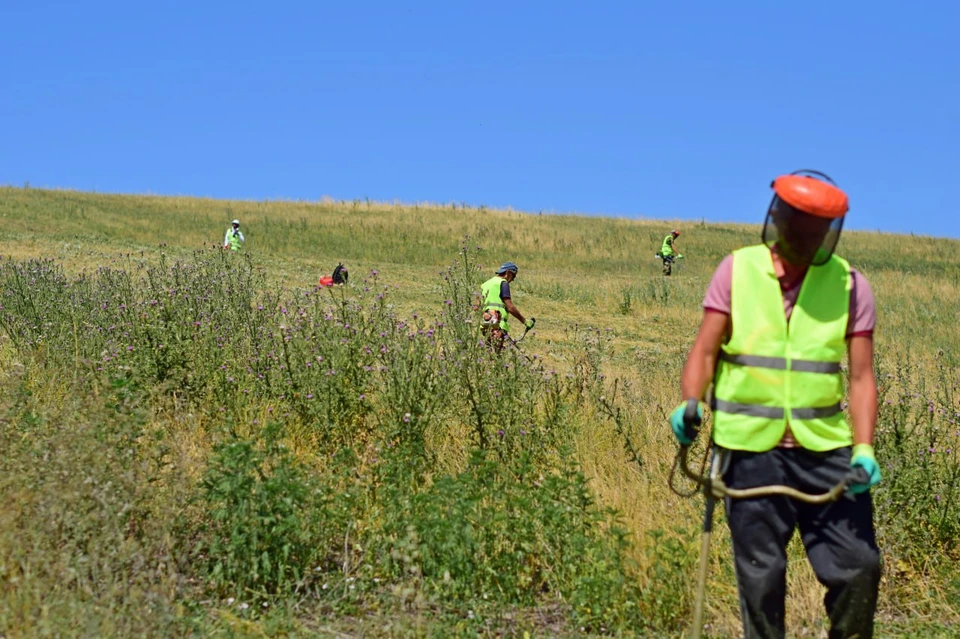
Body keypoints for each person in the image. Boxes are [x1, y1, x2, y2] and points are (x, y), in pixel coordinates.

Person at [669, 170, 882, 638]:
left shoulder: (850, 286)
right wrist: (691, 403)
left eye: (814, 234)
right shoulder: (737, 270)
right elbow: (705, 350)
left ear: (829, 233)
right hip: (750, 453)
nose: (803, 243)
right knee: (761, 579)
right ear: (778, 219)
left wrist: (864, 449)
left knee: (859, 567)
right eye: (796, 230)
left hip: (826, 453)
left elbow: (863, 377)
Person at [479, 262, 535, 351]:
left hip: (485, 324)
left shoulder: (485, 284)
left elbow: (476, 306)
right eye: (513, 276)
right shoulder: (503, 283)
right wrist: (525, 321)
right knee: (496, 355)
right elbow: (510, 307)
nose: (513, 280)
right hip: (498, 324)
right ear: (508, 273)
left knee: (490, 352)